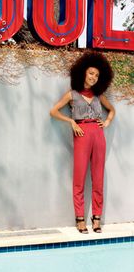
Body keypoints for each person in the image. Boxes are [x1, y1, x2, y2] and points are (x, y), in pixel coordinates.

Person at [50, 51, 115, 234]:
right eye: (91, 73)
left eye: (96, 75)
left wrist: (107, 121)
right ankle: (80, 219)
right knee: (79, 179)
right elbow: (53, 111)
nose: (93, 77)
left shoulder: (99, 96)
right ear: (83, 73)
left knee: (98, 179)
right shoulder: (72, 95)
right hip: (81, 133)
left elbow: (111, 111)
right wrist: (71, 121)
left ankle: (96, 219)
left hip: (98, 135)